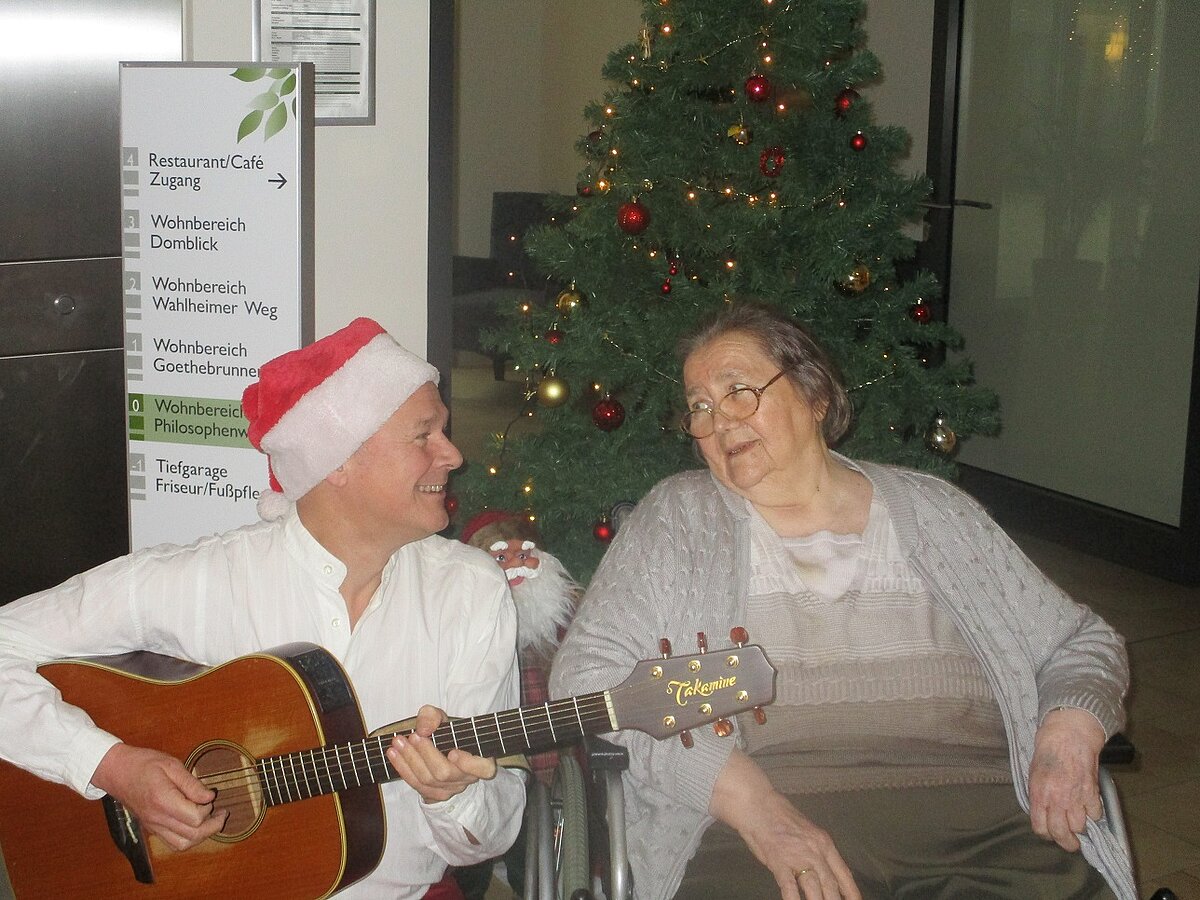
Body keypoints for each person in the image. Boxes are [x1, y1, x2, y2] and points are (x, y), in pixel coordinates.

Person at [549, 303, 1134, 900]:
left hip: (981, 826)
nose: (719, 422)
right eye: (700, 406)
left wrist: (1068, 732)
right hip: (762, 833)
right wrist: (756, 808)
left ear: (815, 396)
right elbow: (588, 679)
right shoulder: (680, 519)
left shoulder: (936, 513)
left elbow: (1078, 641)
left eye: (739, 392)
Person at [0, 317, 526, 899]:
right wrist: (114, 767)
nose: (452, 455)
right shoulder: (204, 581)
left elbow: (494, 831)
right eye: (423, 435)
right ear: (338, 462)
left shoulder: (472, 593)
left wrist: (454, 793)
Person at [452, 509, 579, 899]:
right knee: (470, 855)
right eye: (500, 558)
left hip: (548, 756)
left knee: (534, 853)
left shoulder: (564, 614)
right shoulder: (463, 617)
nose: (516, 567)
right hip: (484, 756)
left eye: (523, 555)